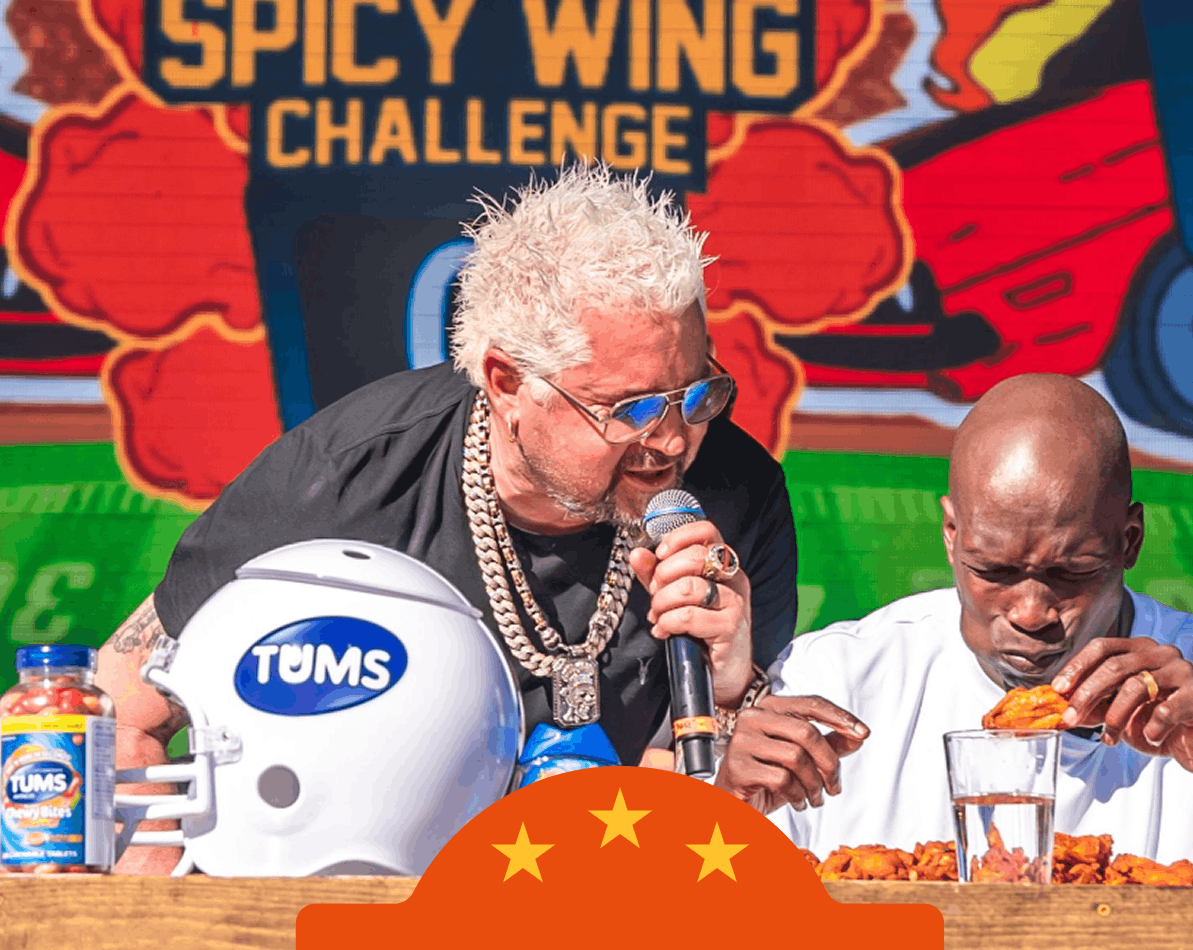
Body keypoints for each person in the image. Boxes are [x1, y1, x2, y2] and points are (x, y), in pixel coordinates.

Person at [101, 164, 797, 873]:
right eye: (631, 409)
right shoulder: (344, 477)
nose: (673, 440)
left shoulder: (735, 493)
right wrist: (163, 916)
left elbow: (692, 822)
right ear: (507, 383)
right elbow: (115, 713)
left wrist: (729, 691)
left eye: (696, 394)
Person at [716, 373, 1193, 883]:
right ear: (951, 534)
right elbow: (699, 914)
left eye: (1069, 573)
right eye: (994, 571)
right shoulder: (839, 681)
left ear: (1129, 541)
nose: (1030, 613)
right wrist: (728, 807)